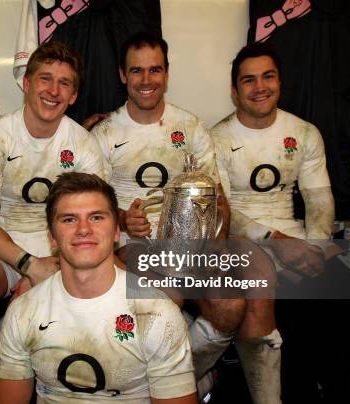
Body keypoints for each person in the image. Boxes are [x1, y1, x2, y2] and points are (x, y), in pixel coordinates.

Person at [90, 32, 246, 393]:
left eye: (155, 70)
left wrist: (215, 251)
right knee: (167, 300)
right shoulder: (105, 134)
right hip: (133, 246)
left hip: (194, 246)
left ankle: (179, 380)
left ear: (167, 74)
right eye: (137, 71)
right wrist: (121, 220)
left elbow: (218, 200)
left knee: (231, 304)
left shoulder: (190, 128)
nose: (146, 81)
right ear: (122, 75)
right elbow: (92, 209)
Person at [0, 41, 105, 404]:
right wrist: (28, 266)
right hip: (4, 242)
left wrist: (54, 268)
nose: (53, 91)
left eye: (64, 83)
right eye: (45, 79)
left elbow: (91, 221)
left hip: (64, 244)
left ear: (74, 94)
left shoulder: (83, 144)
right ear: (27, 83)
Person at [0, 172, 197, 403]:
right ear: (52, 237)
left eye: (97, 218)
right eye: (69, 219)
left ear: (117, 233)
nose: (83, 229)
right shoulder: (23, 312)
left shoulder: (157, 314)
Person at [211, 43, 335, 404]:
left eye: (267, 77)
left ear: (280, 81)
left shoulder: (305, 133)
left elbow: (318, 199)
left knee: (346, 280)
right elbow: (224, 213)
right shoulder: (216, 140)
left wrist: (316, 247)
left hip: (293, 233)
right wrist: (275, 239)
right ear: (235, 91)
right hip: (240, 236)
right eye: (248, 80)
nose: (259, 87)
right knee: (257, 272)